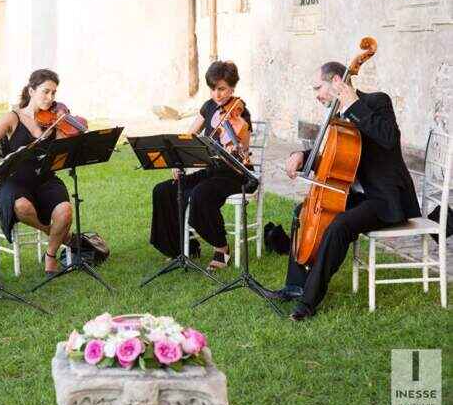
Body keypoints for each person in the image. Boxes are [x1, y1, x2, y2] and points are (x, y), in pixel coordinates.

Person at [265, 61, 420, 321]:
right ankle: (295, 284)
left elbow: (389, 137)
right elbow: (331, 157)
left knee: (339, 225)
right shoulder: (337, 117)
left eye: (318, 87)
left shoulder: (376, 102)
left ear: (337, 81)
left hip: (385, 199)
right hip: (356, 195)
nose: (316, 94)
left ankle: (308, 302)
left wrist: (352, 104)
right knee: (300, 212)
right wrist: (302, 156)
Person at [150, 61, 254, 271]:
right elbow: (189, 136)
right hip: (212, 171)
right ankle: (181, 248)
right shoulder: (208, 107)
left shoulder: (241, 115)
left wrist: (236, 142)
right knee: (164, 190)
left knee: (200, 195)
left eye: (222, 88)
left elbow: (242, 149)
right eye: (213, 88)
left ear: (232, 88)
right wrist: (178, 161)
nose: (217, 94)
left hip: (235, 174)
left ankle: (222, 248)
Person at [0, 69, 73, 276]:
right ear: (31, 91)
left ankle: (50, 256)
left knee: (65, 210)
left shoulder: (53, 121)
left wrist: (67, 132)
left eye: (53, 94)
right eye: (45, 92)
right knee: (22, 207)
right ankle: (52, 231)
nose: (50, 98)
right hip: (15, 181)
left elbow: (64, 153)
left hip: (45, 179)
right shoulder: (12, 117)